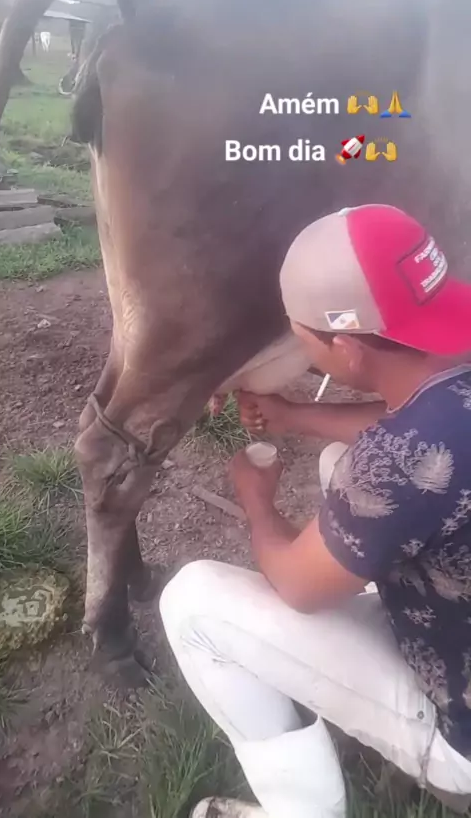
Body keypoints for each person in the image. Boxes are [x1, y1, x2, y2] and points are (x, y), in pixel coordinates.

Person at [159, 204, 471, 818]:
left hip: (462, 723)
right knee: (337, 461)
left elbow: (299, 586)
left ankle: (300, 809)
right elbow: (423, 429)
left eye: (301, 338)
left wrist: (257, 502)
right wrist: (296, 415)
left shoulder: (393, 466)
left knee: (191, 603)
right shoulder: (450, 382)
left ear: (347, 350)